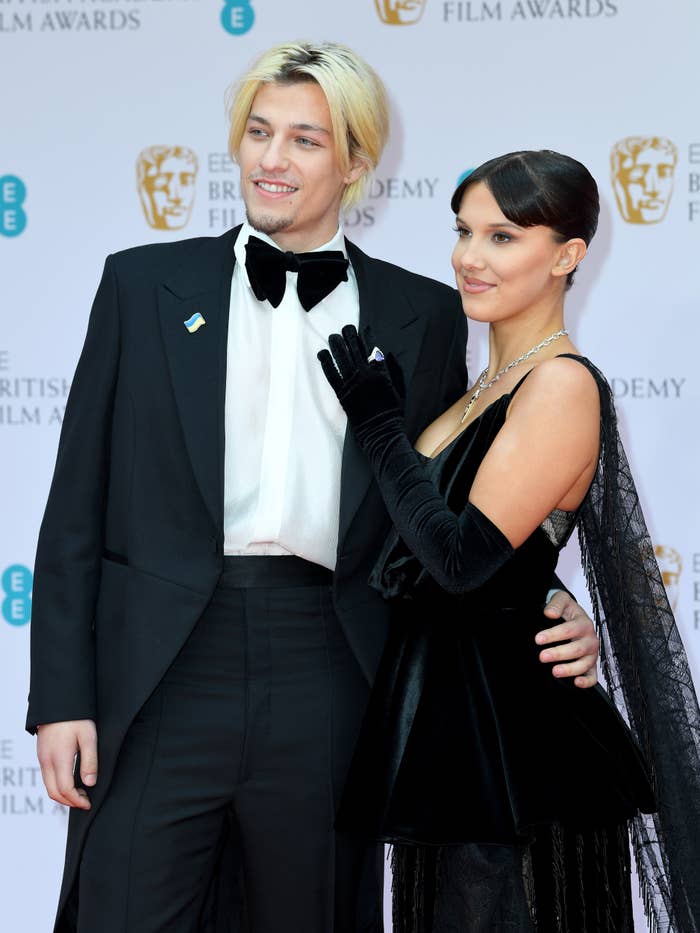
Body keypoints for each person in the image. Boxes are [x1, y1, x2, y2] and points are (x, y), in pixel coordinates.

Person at [27, 46, 600, 933]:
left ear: (356, 166)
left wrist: (549, 601)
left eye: (304, 139)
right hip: (160, 668)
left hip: (333, 666)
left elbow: (449, 500)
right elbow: (74, 506)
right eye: (258, 133)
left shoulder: (426, 313)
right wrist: (61, 695)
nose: (271, 159)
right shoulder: (141, 286)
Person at [319, 149, 700, 932]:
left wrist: (381, 427)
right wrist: (553, 595)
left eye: (503, 236)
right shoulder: (476, 390)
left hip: (517, 759)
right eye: (464, 231)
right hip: (450, 737)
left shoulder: (561, 384)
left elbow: (461, 560)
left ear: (566, 256)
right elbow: (455, 561)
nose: (469, 256)